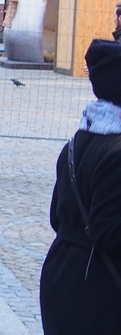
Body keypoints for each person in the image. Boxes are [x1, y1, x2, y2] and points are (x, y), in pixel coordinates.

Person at [40, 39, 121, 334]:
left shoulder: (76, 142)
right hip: (96, 286)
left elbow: (56, 217)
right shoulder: (117, 153)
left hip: (63, 273)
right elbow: (108, 232)